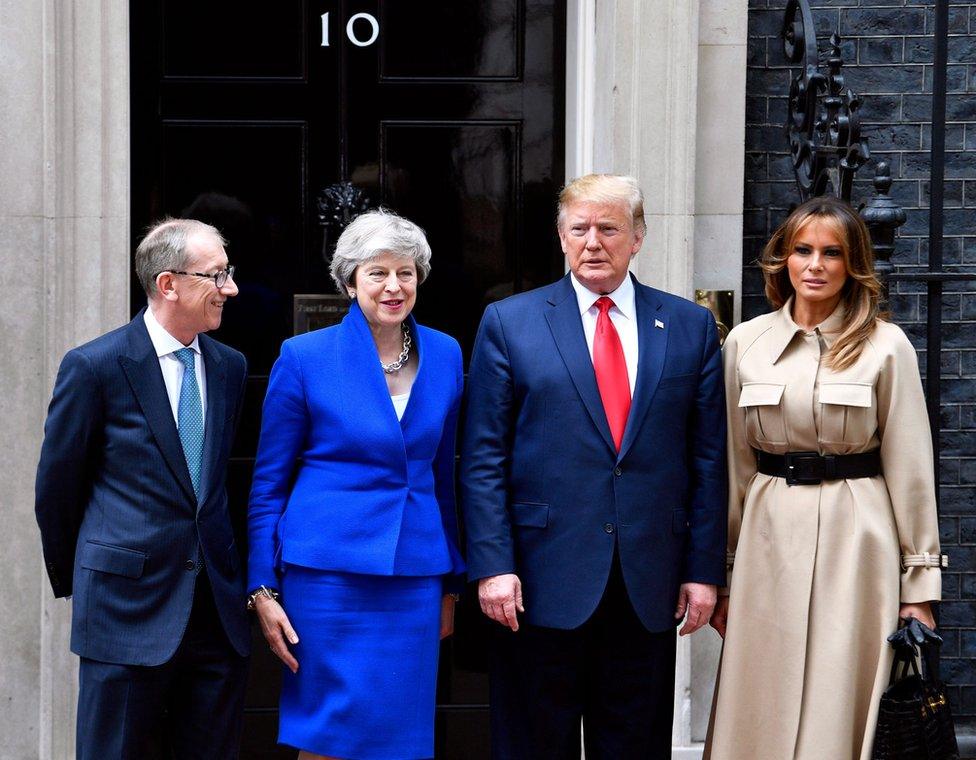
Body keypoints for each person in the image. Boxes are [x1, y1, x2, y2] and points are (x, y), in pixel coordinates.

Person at [461, 173, 727, 759]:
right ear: (560, 236)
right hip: (534, 582)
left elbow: (709, 459)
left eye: (609, 228)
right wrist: (492, 564)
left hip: (647, 583)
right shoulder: (509, 322)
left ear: (638, 237)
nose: (593, 242)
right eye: (579, 228)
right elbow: (483, 457)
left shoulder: (688, 326)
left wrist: (704, 570)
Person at [704, 196, 946, 760]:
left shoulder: (887, 347)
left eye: (831, 253)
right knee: (760, 688)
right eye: (802, 250)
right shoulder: (745, 343)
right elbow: (734, 466)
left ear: (852, 263)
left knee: (844, 687)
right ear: (783, 260)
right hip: (767, 535)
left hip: (857, 537)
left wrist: (919, 588)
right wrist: (722, 575)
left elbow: (911, 470)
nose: (815, 264)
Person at [247, 208, 466, 760]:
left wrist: (452, 582)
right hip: (327, 579)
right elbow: (269, 482)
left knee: (401, 734)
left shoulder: (445, 352)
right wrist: (261, 588)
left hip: (413, 575)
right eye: (378, 273)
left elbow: (445, 473)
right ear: (350, 282)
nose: (394, 286)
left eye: (407, 273)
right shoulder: (304, 357)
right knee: (327, 731)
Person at [34, 219, 249, 758]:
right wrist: (89, 579)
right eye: (216, 275)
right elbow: (56, 491)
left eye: (228, 273)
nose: (231, 289)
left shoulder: (230, 366)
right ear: (168, 283)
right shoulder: (95, 365)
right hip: (123, 614)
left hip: (214, 619)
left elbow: (219, 484)